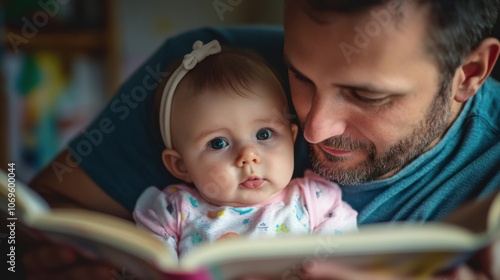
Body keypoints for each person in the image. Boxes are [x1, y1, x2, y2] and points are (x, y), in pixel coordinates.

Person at [24, 0, 500, 279]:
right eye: (298, 75)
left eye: (365, 95)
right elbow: (23, 220)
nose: (312, 128)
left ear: (470, 73)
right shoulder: (200, 78)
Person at [133, 40, 357, 260]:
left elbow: (344, 253)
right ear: (181, 166)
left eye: (264, 134)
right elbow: (150, 261)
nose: (248, 156)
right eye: (218, 143)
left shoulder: (313, 201)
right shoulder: (176, 211)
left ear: (292, 138)